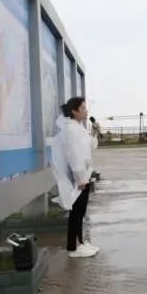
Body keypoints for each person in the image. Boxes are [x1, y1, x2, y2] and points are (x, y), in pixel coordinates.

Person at [52, 97, 99, 258]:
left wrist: (94, 132)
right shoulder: (72, 130)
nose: (86, 111)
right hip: (79, 178)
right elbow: (74, 156)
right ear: (74, 111)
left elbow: (91, 147)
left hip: (84, 175)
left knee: (80, 211)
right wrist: (79, 179)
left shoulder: (78, 127)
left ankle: (80, 242)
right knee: (76, 213)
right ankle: (73, 247)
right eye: (83, 108)